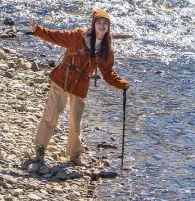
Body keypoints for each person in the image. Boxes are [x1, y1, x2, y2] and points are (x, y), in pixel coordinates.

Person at [27, 9, 129, 170]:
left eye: (105, 23)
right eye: (99, 23)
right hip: (62, 78)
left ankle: (74, 155)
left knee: (76, 121)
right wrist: (39, 30)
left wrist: (122, 84)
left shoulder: (106, 48)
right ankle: (40, 150)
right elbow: (56, 36)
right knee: (51, 114)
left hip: (80, 84)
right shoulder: (78, 36)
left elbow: (108, 73)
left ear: (109, 27)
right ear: (93, 24)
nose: (102, 26)